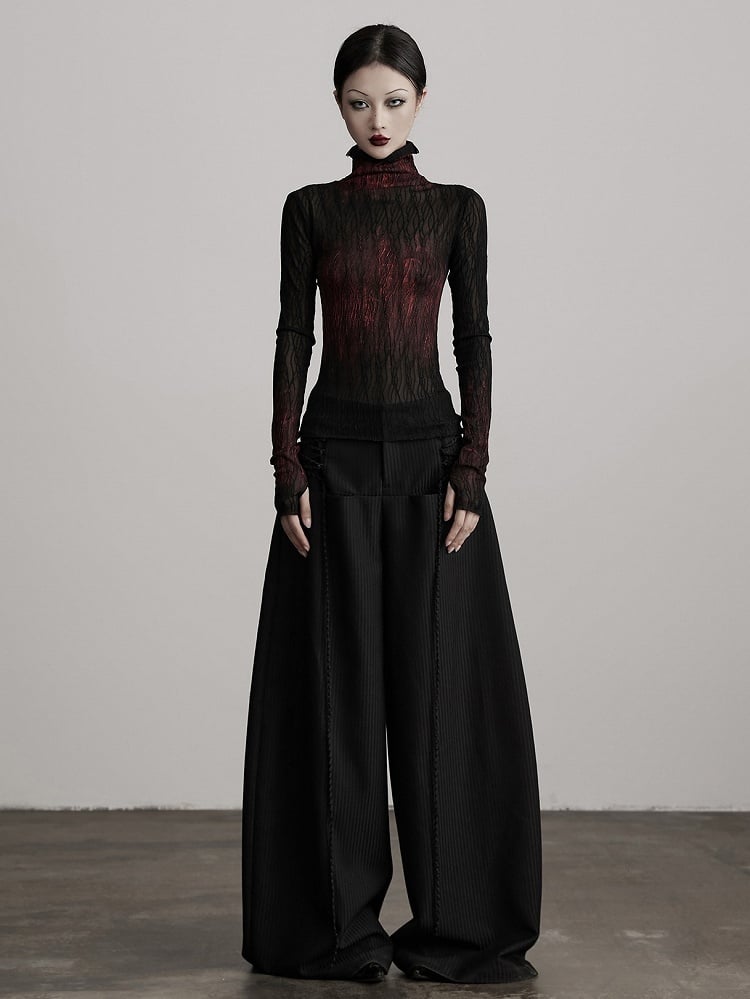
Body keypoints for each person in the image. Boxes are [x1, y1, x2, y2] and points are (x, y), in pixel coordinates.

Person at [241, 23, 542, 985]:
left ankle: (460, 927)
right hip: (330, 469)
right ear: (338, 104)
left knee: (442, 699)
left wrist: (472, 467)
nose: (377, 119)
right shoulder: (309, 209)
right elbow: (293, 337)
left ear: (421, 101)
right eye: (359, 101)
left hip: (431, 470)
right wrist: (286, 467)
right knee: (335, 703)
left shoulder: (457, 208)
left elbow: (474, 340)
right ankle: (336, 932)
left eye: (395, 101)